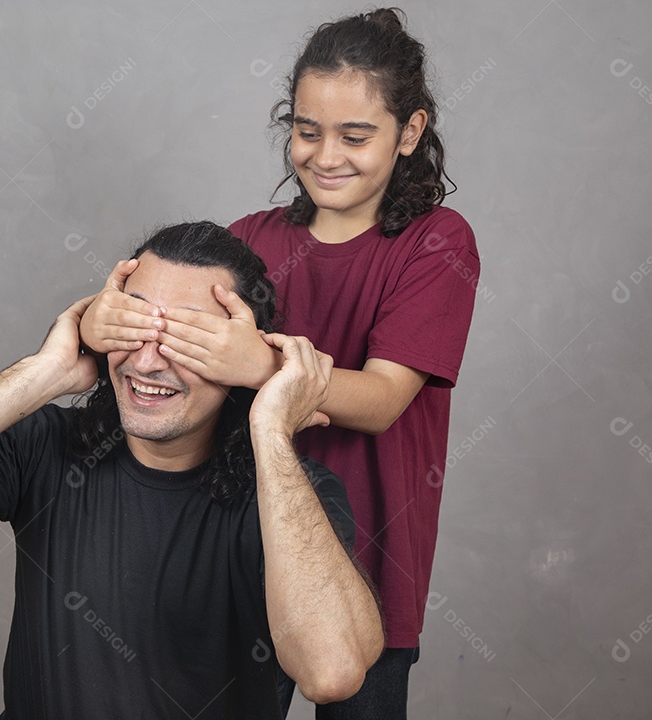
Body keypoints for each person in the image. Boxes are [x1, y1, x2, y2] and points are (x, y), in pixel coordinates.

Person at [0, 221, 385, 719]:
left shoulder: (292, 495)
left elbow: (331, 673)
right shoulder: (46, 448)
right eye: (133, 327)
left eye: (188, 340)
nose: (146, 359)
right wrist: (45, 371)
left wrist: (271, 426)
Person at [80, 10, 479, 719]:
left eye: (356, 136)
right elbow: (170, 357)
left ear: (410, 132)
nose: (326, 155)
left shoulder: (437, 242)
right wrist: (102, 321)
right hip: (238, 541)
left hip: (370, 562)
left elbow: (384, 398)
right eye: (306, 130)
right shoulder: (248, 238)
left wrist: (256, 364)